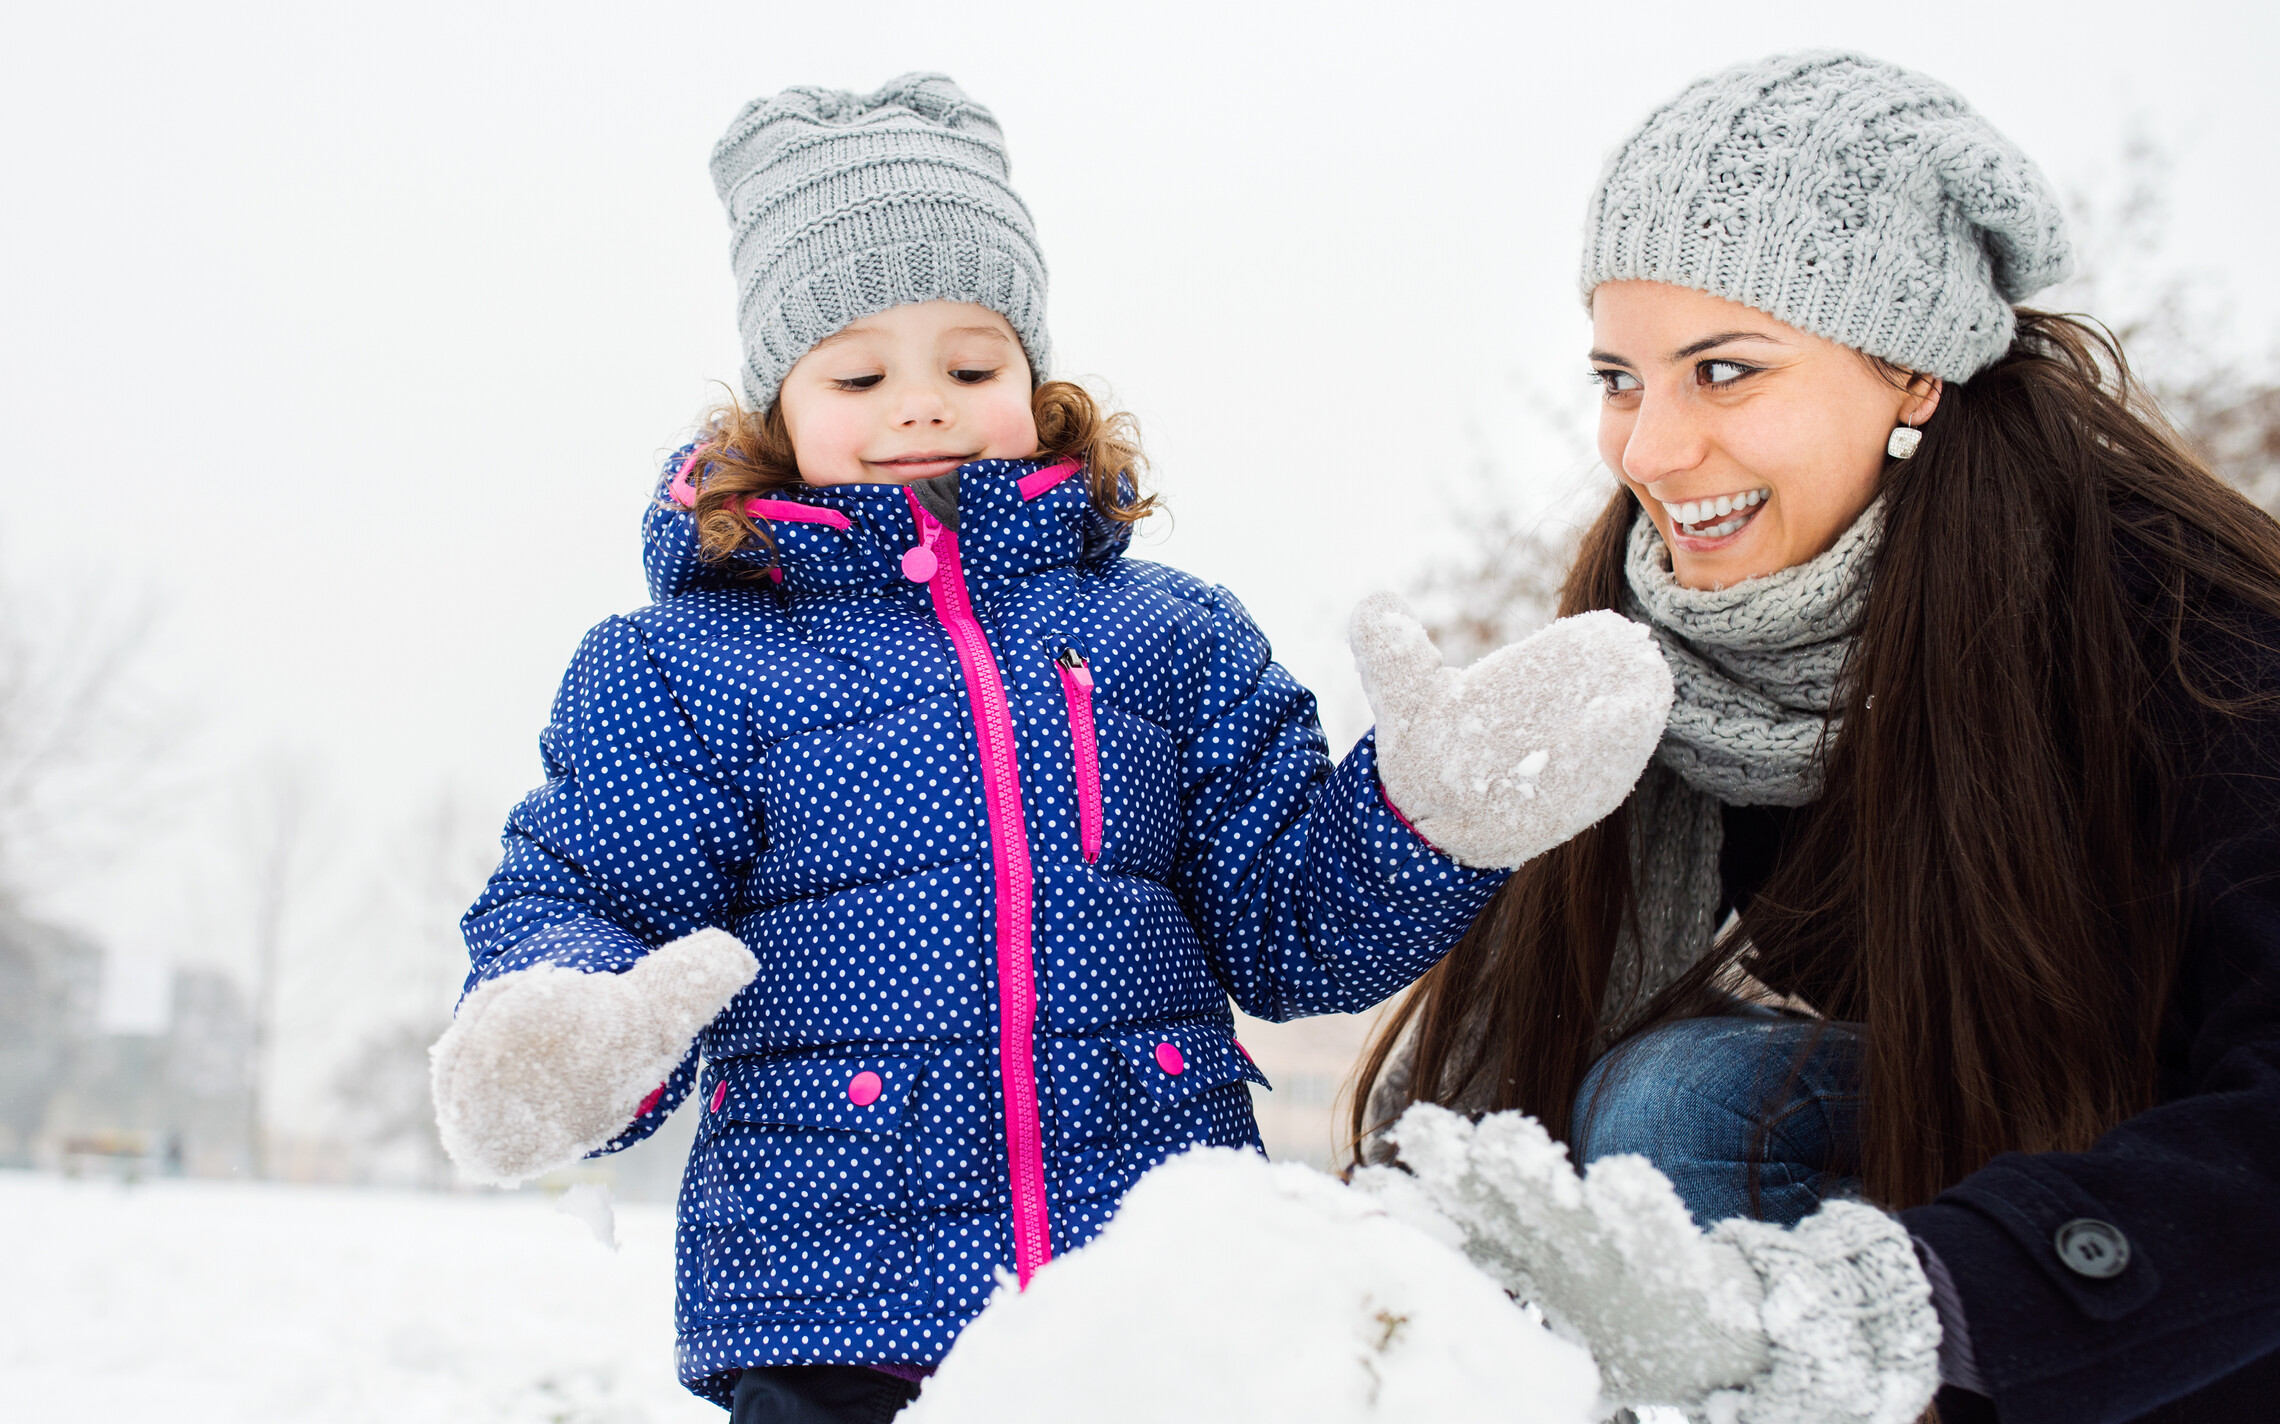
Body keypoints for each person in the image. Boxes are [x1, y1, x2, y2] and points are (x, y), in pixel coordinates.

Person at [423, 74, 1672, 1423]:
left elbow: (1287, 924)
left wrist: (1424, 815)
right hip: (838, 1308)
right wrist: (560, 1032)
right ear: (775, 404)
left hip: (1145, 1307)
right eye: (858, 372)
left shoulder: (1165, 639)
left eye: (972, 365)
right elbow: (589, 894)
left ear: (1033, 373)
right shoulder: (687, 670)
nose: (921, 406)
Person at [1352, 50, 2280, 1424]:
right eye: (1622, 377)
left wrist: (1918, 1299)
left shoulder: (2190, 643)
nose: (1650, 452)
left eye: (1723, 372)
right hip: (1958, 1171)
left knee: (1685, 1105)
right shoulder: (1668, 648)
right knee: (1667, 1108)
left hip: (2155, 1310)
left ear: (1910, 372)